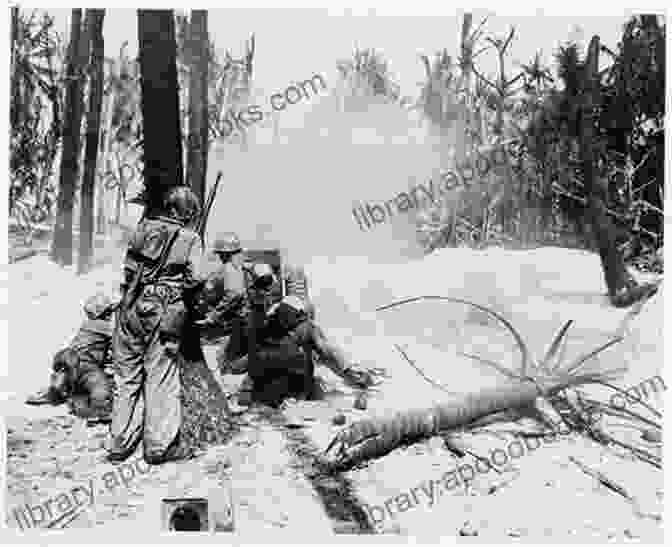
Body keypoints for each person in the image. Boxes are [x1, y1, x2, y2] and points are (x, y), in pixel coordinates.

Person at [108, 186, 205, 464]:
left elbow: (128, 269)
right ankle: (158, 448)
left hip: (129, 304)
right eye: (191, 213)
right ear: (186, 213)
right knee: (160, 377)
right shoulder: (190, 238)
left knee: (126, 378)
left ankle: (119, 443)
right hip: (161, 308)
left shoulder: (142, 228)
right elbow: (196, 279)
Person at [26, 293, 116, 424]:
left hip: (68, 360)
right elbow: (120, 339)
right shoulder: (103, 326)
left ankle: (52, 393)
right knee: (99, 384)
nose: (111, 315)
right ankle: (100, 411)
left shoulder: (87, 325)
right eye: (109, 311)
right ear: (105, 313)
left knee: (64, 380)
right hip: (84, 364)